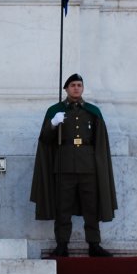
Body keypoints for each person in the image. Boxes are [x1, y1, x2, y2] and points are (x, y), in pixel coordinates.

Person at [30, 73, 117, 257]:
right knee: (63, 208)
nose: (76, 88)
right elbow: (45, 139)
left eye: (79, 85)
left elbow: (99, 141)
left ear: (82, 88)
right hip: (64, 166)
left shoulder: (93, 112)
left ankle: (94, 245)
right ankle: (62, 245)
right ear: (66, 89)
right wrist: (53, 124)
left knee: (91, 208)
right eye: (72, 85)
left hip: (88, 167)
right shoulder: (56, 110)